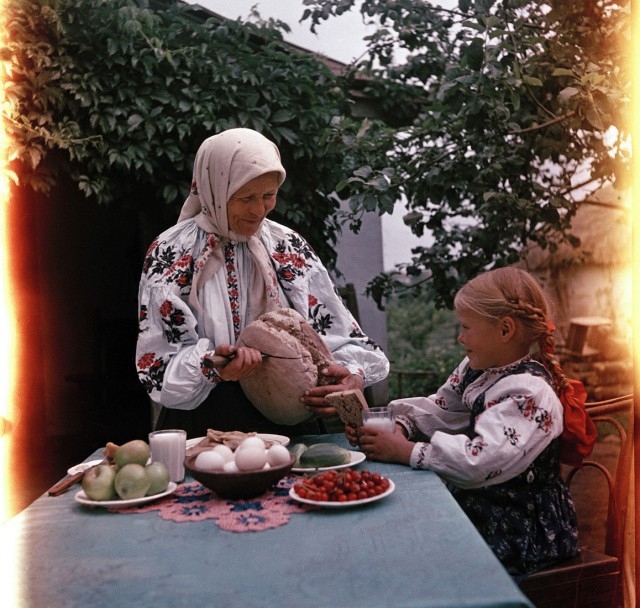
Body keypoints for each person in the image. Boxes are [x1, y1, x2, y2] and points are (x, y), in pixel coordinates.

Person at [136, 128, 389, 437]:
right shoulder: (170, 253)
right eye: (246, 198)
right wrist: (212, 365)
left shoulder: (287, 245)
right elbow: (158, 367)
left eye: (269, 195)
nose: (259, 210)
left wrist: (351, 375)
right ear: (215, 188)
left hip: (293, 421)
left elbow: (338, 336)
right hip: (205, 424)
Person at [350, 267, 579, 577]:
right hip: (482, 502)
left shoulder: (529, 393)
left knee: (421, 556)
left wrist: (407, 452)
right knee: (398, 529)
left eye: (466, 327)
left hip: (519, 527)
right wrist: (402, 426)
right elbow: (441, 410)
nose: (459, 338)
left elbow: (479, 461)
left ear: (505, 329)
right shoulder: (479, 369)